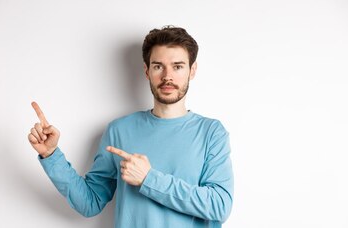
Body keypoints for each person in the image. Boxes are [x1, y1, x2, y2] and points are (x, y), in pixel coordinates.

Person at [27, 25, 233, 227]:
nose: (167, 76)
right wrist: (52, 156)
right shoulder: (119, 131)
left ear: (192, 70)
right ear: (146, 71)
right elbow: (90, 203)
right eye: (158, 66)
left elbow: (219, 206)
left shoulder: (211, 133)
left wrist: (149, 179)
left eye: (177, 66)